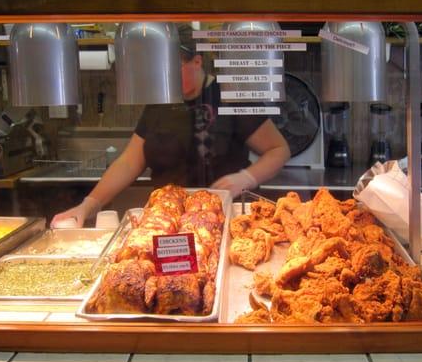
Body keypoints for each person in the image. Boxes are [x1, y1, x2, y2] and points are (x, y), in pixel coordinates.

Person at [51, 23, 290, 227]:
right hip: (168, 220)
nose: (164, 77)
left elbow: (278, 150)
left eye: (172, 68)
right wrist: (89, 205)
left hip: (224, 217)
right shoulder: (160, 101)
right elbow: (128, 162)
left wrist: (246, 177)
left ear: (196, 62)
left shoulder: (231, 95)